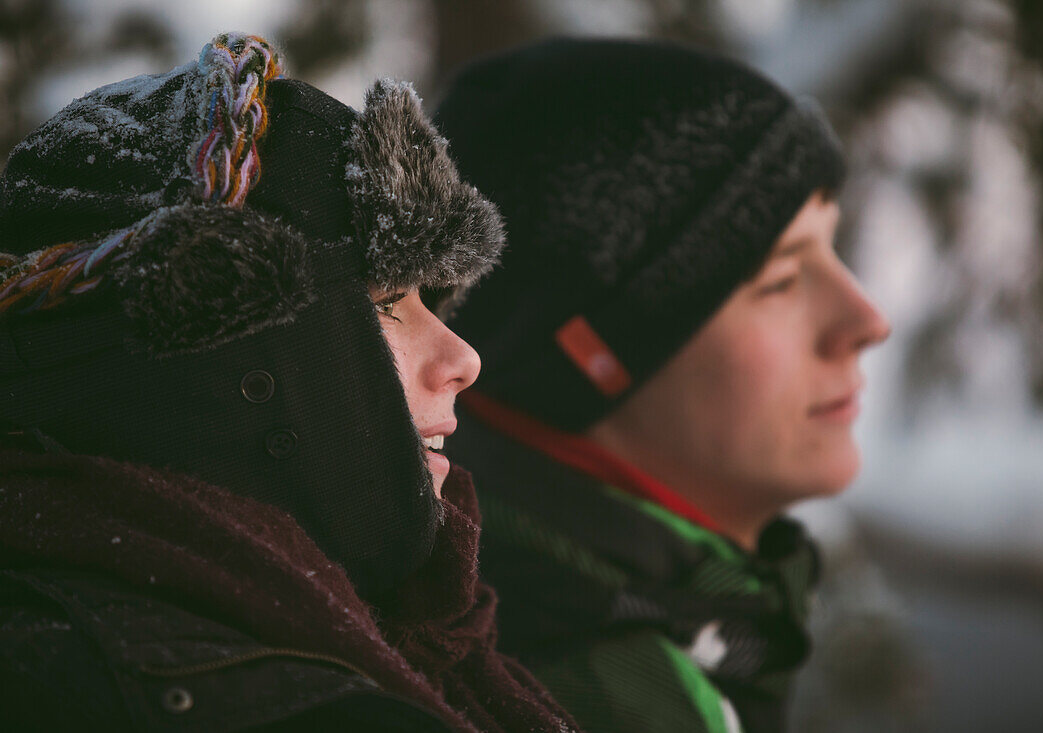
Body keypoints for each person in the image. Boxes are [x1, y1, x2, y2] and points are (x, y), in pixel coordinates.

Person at [0, 32, 577, 732]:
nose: (463, 357)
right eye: (384, 303)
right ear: (216, 337)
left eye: (433, 298)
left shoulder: (427, 648)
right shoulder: (85, 687)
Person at [434, 38, 892, 733]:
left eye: (833, 245)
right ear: (593, 359)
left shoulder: (665, 620)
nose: (867, 319)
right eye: (780, 279)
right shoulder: (579, 697)